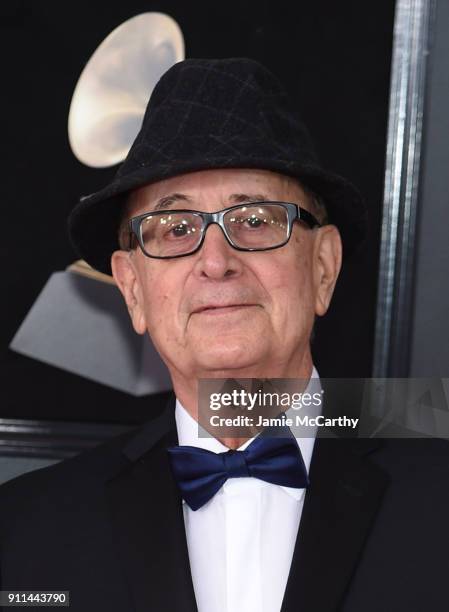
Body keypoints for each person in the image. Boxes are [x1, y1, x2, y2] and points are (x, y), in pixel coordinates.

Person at [1, 58, 449, 612]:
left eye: (256, 220)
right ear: (133, 289)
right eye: (175, 229)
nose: (215, 262)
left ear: (323, 268)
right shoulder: (24, 531)